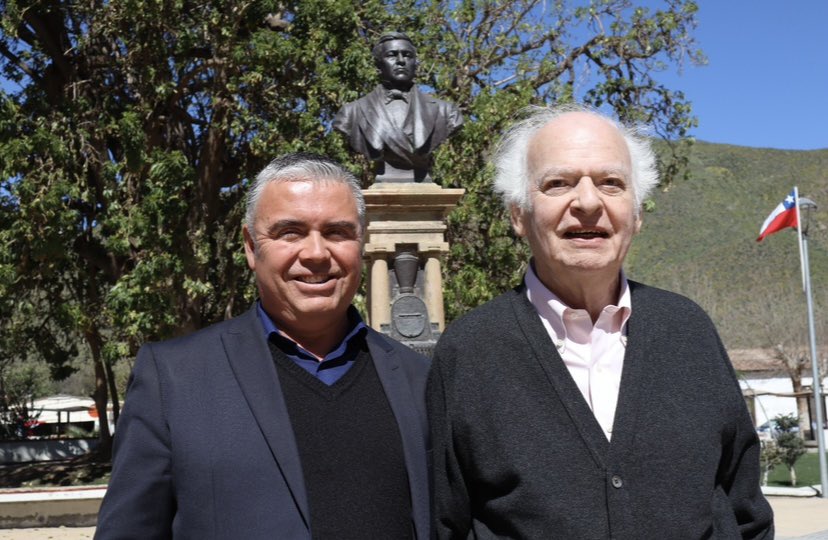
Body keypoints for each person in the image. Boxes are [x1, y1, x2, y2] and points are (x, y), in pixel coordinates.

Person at [427, 105, 774, 539]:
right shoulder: (470, 351)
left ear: (638, 214)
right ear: (519, 215)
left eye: (611, 183)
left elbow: (745, 508)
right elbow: (445, 522)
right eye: (559, 183)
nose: (588, 202)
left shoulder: (689, 330)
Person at [95, 153, 431, 539]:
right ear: (252, 247)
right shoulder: (174, 380)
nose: (316, 253)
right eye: (291, 232)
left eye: (338, 232)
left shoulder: (419, 379)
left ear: (362, 243)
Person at [333, 32, 462, 181]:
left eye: (407, 55)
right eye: (392, 55)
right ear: (378, 64)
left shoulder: (446, 111)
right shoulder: (351, 113)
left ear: (415, 62)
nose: (401, 61)